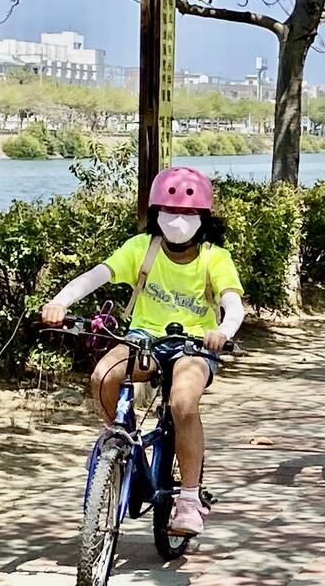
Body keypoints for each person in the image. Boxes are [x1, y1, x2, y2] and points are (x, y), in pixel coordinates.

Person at [41, 167, 245, 536]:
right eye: (169, 212)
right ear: (155, 214)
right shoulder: (141, 248)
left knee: (183, 401)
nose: (177, 221)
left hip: (194, 345)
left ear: (203, 218)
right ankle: (123, 449)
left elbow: (233, 302)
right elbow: (96, 275)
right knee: (103, 376)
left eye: (187, 214)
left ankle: (188, 499)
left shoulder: (215, 257)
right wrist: (59, 302)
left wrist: (223, 330)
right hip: (143, 340)